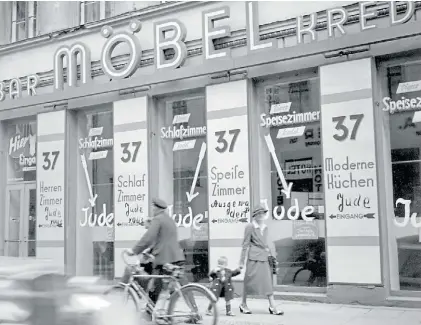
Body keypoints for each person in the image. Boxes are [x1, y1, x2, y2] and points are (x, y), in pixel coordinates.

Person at [126, 198, 199, 321]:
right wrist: (151, 250)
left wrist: (134, 251)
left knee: (155, 286)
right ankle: (195, 312)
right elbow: (164, 240)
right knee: (184, 287)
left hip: (164, 259)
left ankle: (150, 314)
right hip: (177, 257)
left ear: (156, 208)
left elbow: (148, 237)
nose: (152, 209)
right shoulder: (169, 220)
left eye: (153, 207)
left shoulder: (158, 219)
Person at [238, 205, 284, 315]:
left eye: (263, 213)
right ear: (255, 215)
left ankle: (272, 306)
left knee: (268, 282)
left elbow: (267, 243)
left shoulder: (265, 227)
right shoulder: (250, 226)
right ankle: (243, 304)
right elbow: (245, 245)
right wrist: (241, 262)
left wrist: (273, 256)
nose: (261, 215)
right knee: (248, 281)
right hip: (253, 258)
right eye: (259, 213)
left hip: (264, 257)